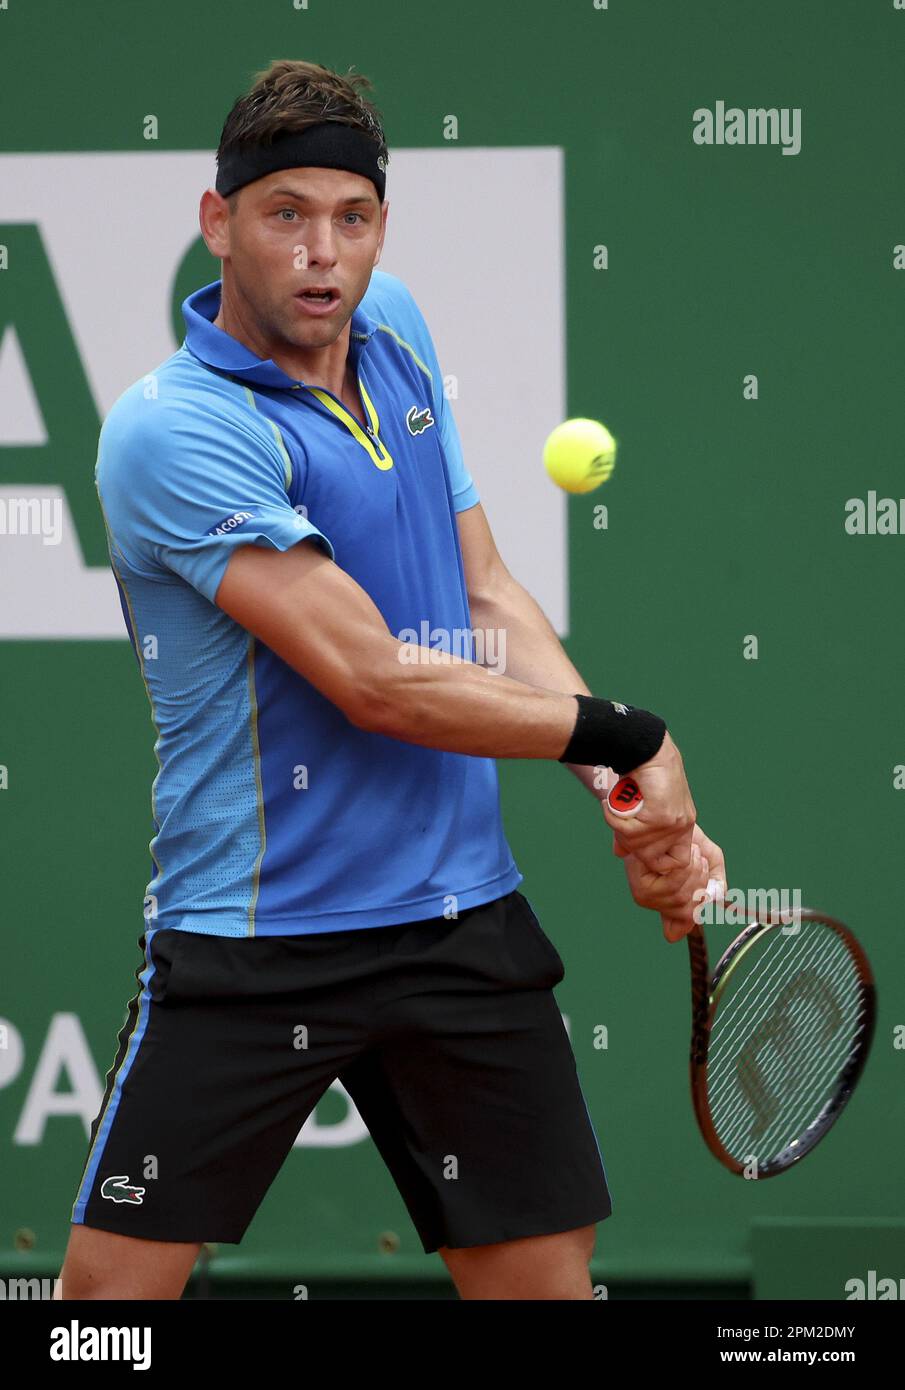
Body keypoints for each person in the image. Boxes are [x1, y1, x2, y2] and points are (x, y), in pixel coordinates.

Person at [59, 58, 725, 1301]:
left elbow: (482, 593)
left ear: (381, 228)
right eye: (285, 215)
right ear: (218, 223)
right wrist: (626, 733)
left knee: (541, 1284)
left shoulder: (398, 335)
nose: (322, 254)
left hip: (455, 921)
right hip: (255, 936)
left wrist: (609, 782)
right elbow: (371, 678)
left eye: (351, 218)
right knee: (107, 1309)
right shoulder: (173, 431)